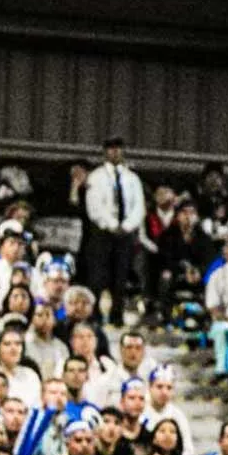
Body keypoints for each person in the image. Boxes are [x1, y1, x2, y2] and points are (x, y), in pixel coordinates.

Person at [81, 138, 146, 323]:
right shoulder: (96, 177)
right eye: (111, 149)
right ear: (105, 152)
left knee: (121, 275)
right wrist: (111, 225)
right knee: (98, 275)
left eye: (118, 149)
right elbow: (94, 207)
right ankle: (95, 315)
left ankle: (117, 315)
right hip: (102, 232)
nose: (115, 153)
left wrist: (125, 226)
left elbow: (138, 207)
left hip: (125, 233)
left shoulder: (132, 178)